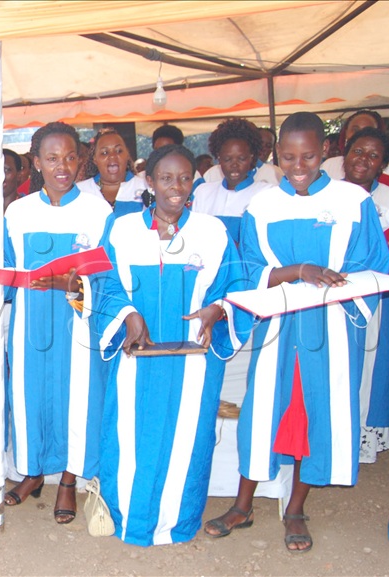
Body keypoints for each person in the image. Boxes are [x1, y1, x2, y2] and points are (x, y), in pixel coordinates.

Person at [204, 112, 389, 553]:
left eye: (308, 156)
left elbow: (374, 264)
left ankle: (295, 510)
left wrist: (341, 290)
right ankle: (243, 505)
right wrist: (299, 271)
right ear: (276, 156)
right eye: (288, 157)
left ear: (325, 151)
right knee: (262, 411)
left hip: (332, 328)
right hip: (279, 326)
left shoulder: (352, 201)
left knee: (315, 413)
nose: (298, 166)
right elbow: (249, 270)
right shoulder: (263, 206)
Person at [97, 144, 249, 546]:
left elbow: (237, 285)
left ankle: (179, 522)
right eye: (166, 178)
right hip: (137, 359)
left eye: (184, 179)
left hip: (193, 362)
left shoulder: (212, 232)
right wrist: (128, 314)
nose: (176, 187)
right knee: (130, 436)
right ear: (149, 182)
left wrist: (218, 309)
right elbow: (101, 283)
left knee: (188, 440)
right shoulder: (122, 229)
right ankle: (129, 519)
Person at [0, 123, 115, 525]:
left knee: (75, 399)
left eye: (69, 157)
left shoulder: (98, 212)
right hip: (29, 325)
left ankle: (67, 478)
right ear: (36, 163)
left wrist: (74, 285)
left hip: (77, 324)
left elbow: (109, 276)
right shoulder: (18, 212)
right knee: (29, 397)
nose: (62, 166)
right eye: (51, 158)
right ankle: (32, 472)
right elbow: (8, 268)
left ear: (81, 160)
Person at [341, 127, 389, 462]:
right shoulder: (324, 193)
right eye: (358, 151)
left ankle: (363, 434)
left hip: (379, 293)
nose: (363, 160)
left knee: (374, 364)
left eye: (374, 156)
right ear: (345, 155)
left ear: (383, 165)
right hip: (331, 292)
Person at [191, 118, 273, 244]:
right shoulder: (203, 192)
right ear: (219, 158)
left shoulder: (266, 193)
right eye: (227, 159)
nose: (234, 165)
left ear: (251, 157)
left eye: (241, 158)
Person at [78, 129, 149, 216]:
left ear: (127, 154)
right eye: (104, 152)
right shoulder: (80, 191)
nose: (112, 156)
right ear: (95, 159)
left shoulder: (146, 187)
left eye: (119, 151)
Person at [322, 109, 389, 185]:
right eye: (355, 130)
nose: (360, 135)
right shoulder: (329, 165)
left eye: (368, 130)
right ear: (346, 132)